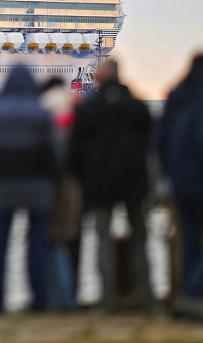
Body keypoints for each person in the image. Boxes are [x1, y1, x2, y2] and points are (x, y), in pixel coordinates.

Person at [0, 64, 60, 313]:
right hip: (38, 188)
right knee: (36, 245)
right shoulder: (43, 114)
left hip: (2, 188)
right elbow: (56, 151)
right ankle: (39, 299)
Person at [69, 60, 155, 314]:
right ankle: (147, 301)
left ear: (98, 79)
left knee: (102, 240)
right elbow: (151, 144)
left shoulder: (88, 110)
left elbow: (74, 151)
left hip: (100, 184)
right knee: (140, 239)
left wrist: (82, 178)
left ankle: (106, 303)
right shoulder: (138, 107)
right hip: (134, 182)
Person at [157, 53, 203, 317]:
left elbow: (160, 141)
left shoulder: (174, 97)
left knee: (189, 239)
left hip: (179, 184)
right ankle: (192, 290)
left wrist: (166, 180)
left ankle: (187, 299)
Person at [40, 77, 80, 312]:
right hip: (71, 191)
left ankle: (53, 298)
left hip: (49, 191)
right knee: (66, 245)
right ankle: (68, 299)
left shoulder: (44, 114)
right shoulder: (71, 117)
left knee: (51, 245)